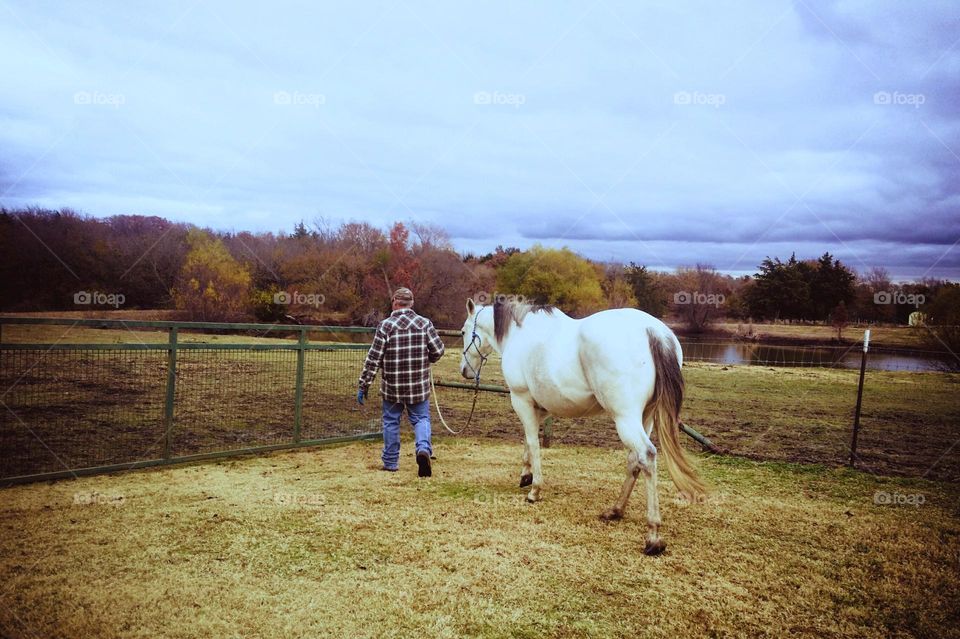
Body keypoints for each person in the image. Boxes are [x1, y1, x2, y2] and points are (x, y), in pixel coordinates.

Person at [357, 287, 445, 476]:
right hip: (418, 386)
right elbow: (438, 350)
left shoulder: (386, 326)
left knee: (391, 422)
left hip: (392, 386)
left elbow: (374, 358)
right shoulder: (425, 324)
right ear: (411, 303)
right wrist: (426, 359)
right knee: (421, 419)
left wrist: (364, 384)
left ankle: (390, 463)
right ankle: (423, 449)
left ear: (394, 303)